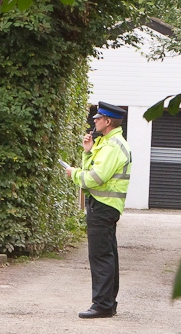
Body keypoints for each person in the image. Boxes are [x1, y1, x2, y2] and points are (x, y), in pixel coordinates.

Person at [66, 102, 131, 319]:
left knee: (100, 255)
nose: (94, 120)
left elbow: (94, 178)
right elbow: (93, 170)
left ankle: (102, 305)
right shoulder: (107, 143)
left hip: (102, 206)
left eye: (98, 117)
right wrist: (87, 152)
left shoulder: (112, 146)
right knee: (107, 254)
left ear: (108, 121)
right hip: (105, 206)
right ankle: (108, 303)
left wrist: (73, 173)